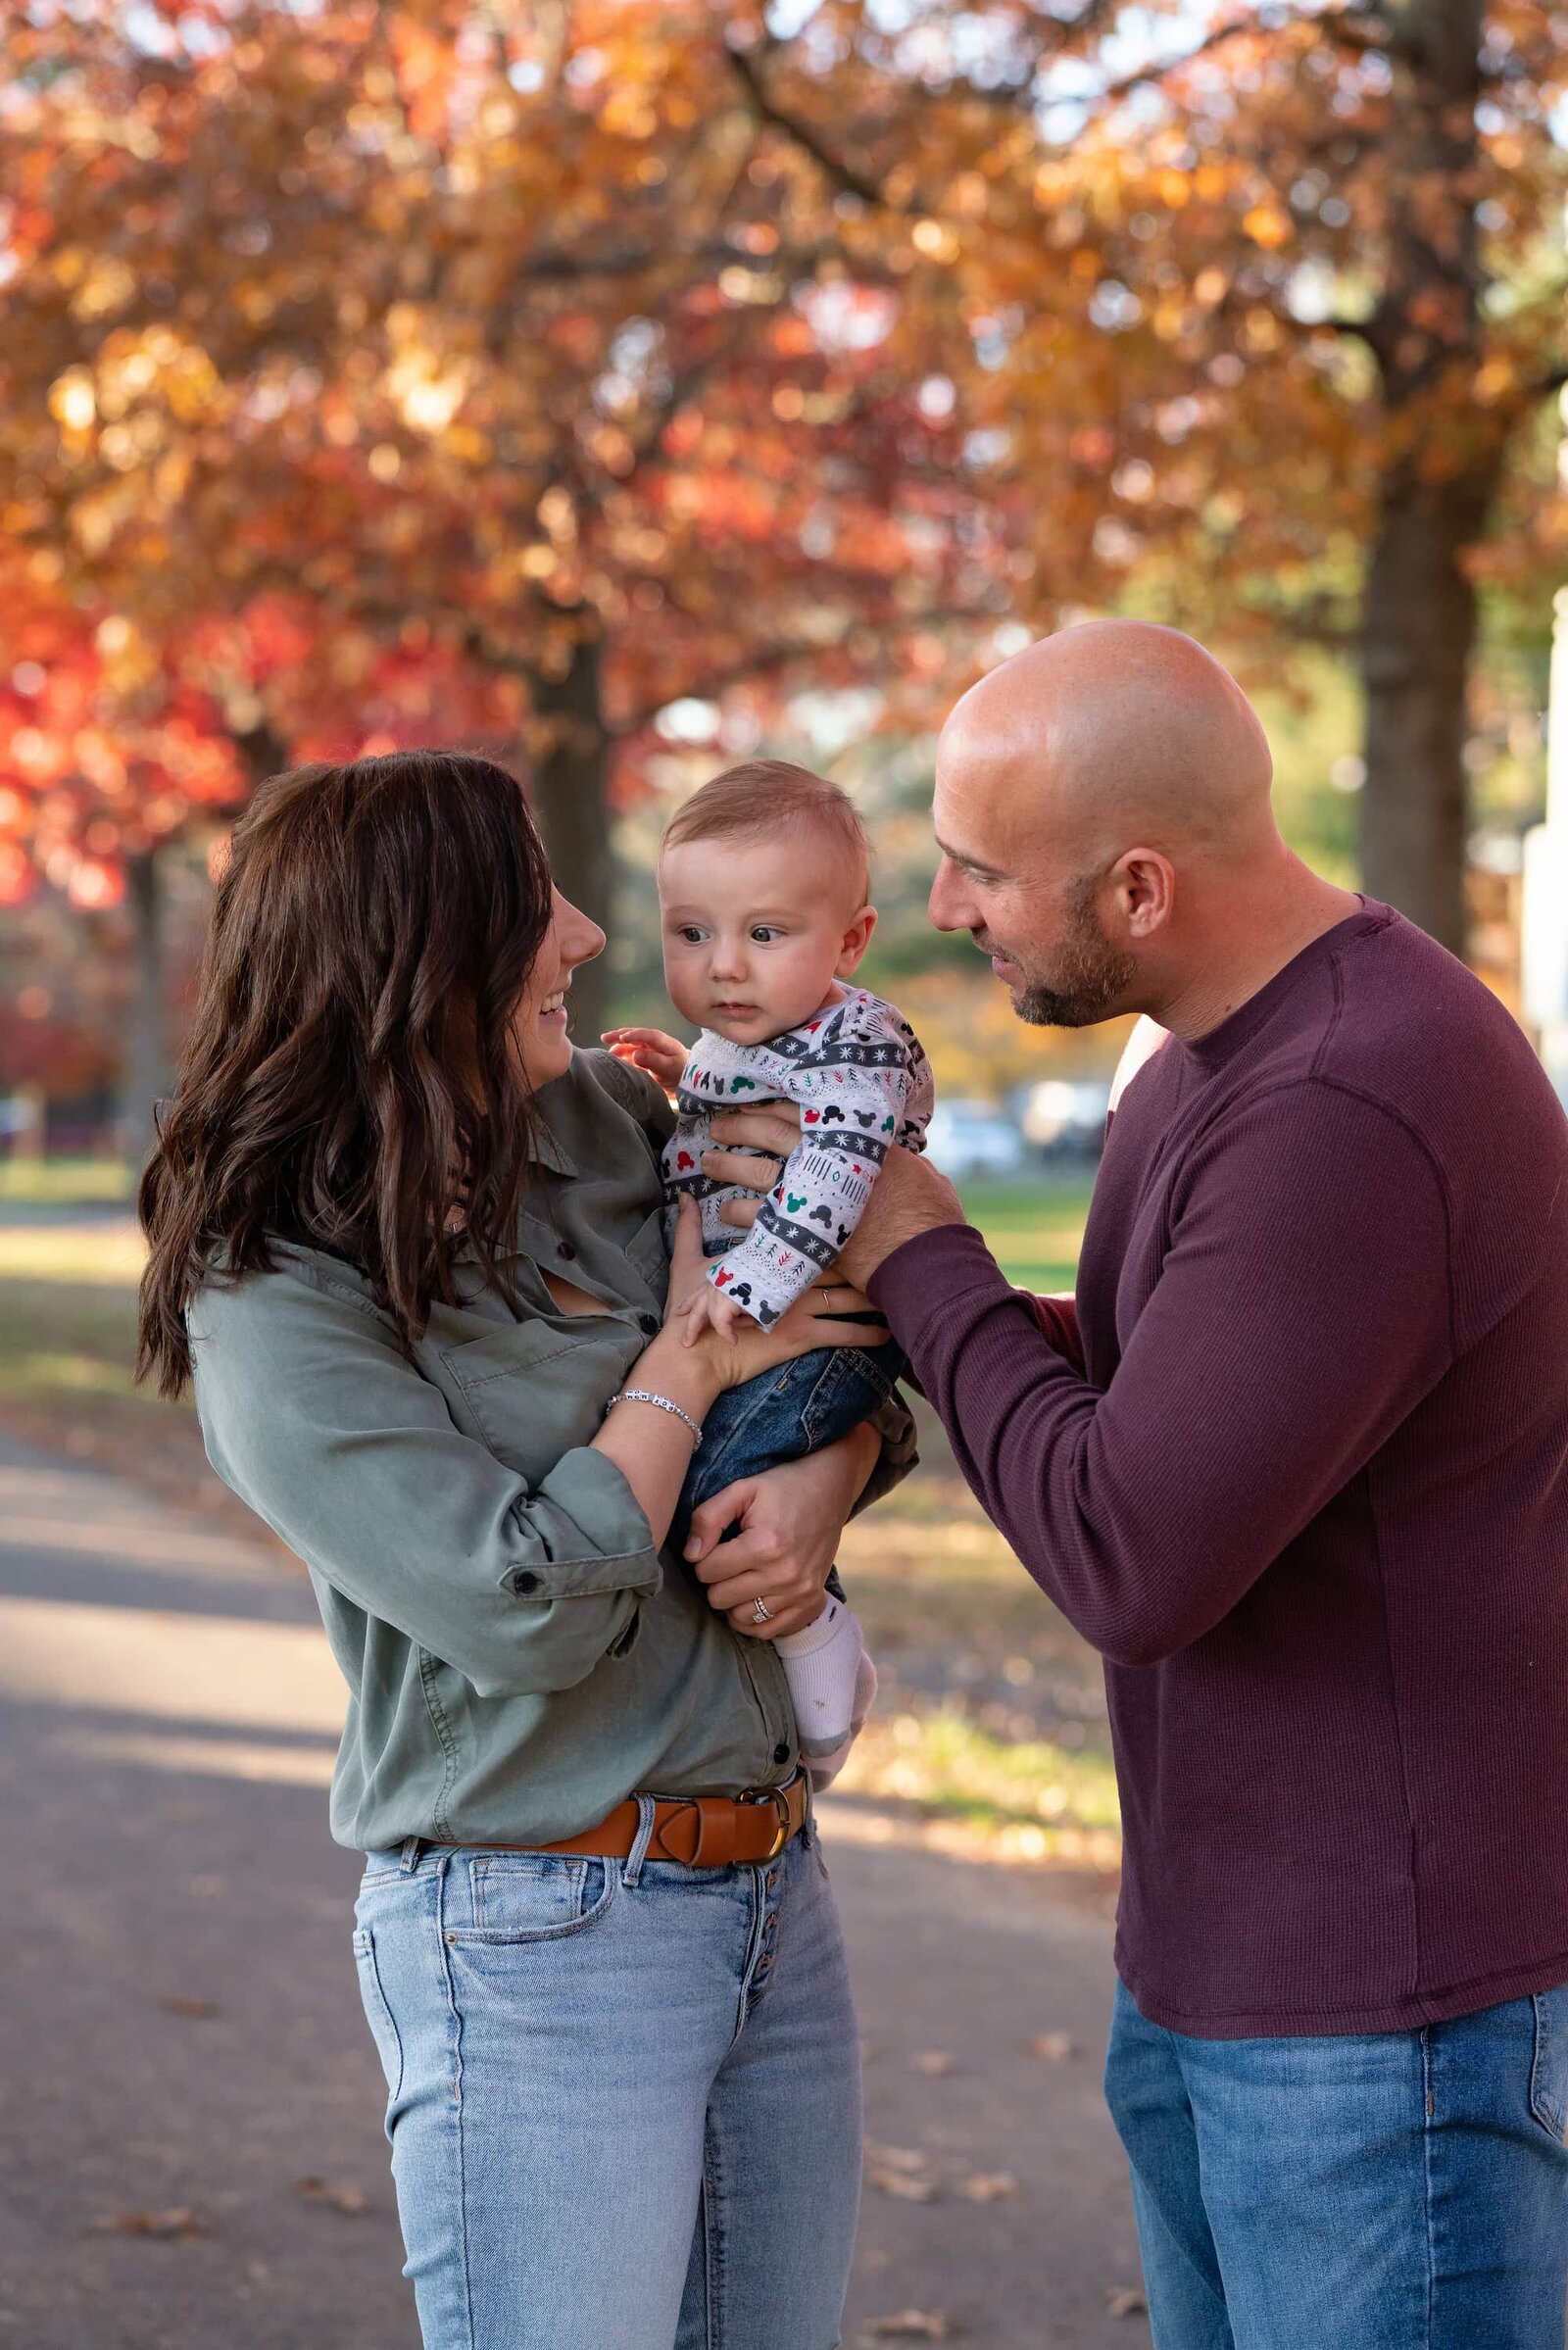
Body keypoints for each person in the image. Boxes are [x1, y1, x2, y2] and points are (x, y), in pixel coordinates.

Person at [812, 621, 1568, 2348]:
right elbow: (1192, 1375)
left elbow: (1133, 1546)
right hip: (1234, 1960)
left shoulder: (1350, 1092)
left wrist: (921, 1248)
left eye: (982, 870)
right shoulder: (1220, 1046)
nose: (943, 905)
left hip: (1385, 2016)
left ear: (1140, 885)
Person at [134, 750, 915, 2350]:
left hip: (771, 1885)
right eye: (530, 896)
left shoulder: (618, 1119)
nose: (579, 928)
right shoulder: (274, 1288)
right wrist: (693, 1359)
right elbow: (528, 1600)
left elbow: (849, 1335)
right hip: (541, 1928)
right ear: (424, 954)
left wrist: (832, 1469)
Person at [604, 759, 934, 1787]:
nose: (724, 969)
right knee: (707, 1484)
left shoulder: (860, 1042)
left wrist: (750, 1288)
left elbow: (834, 1175)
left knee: (711, 1489)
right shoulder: (753, 1036)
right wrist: (684, 1078)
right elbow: (739, 1103)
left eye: (763, 933)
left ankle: (816, 1635)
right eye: (692, 932)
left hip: (816, 1330)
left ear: (850, 941)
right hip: (759, 1328)